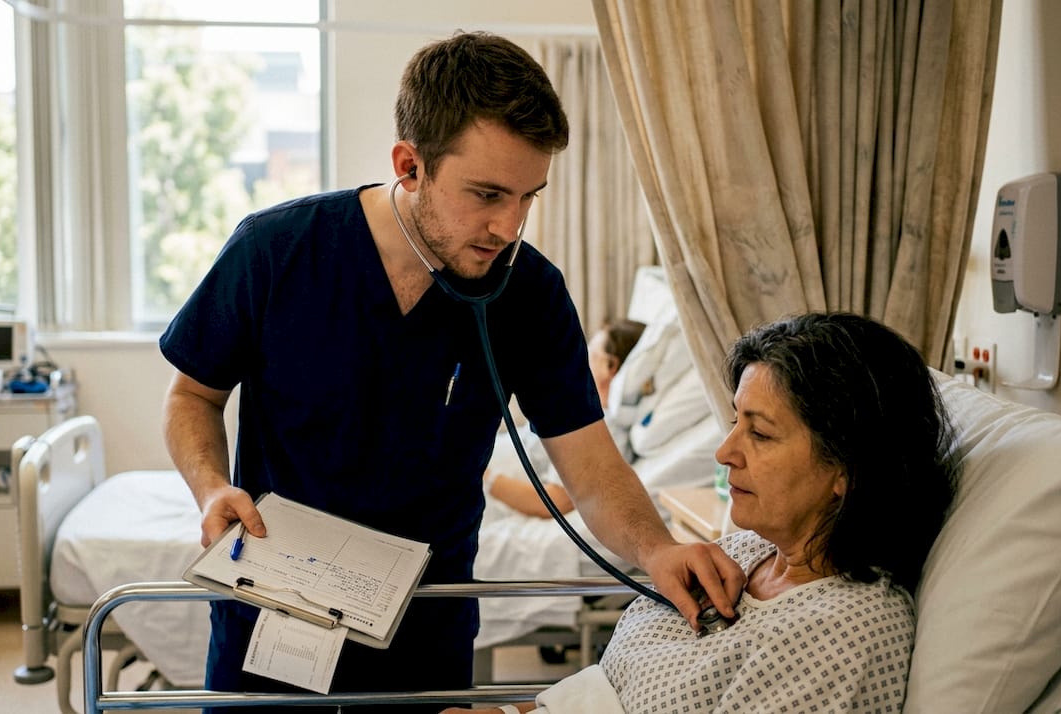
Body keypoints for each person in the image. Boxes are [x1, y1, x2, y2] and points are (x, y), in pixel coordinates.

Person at [160, 32, 742, 713]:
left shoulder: (530, 295)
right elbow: (192, 394)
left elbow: (590, 467)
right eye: (488, 194)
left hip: (425, 627)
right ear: (410, 165)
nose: (510, 226)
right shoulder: (278, 250)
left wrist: (658, 548)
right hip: (273, 609)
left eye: (529, 196)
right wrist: (209, 489)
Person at [443, 311, 961, 714]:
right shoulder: (741, 552)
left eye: (759, 433)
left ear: (847, 467)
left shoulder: (847, 634)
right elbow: (614, 683)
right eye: (736, 422)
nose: (724, 452)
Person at [485, 319, 646, 518]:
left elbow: (555, 501)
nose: (579, 361)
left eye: (590, 354)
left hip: (485, 489)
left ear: (610, 366)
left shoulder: (602, 430)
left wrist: (484, 476)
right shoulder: (582, 408)